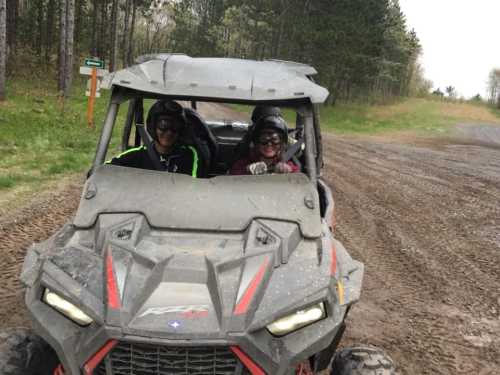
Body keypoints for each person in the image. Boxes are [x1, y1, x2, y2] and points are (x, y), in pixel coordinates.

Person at [109, 100, 199, 177]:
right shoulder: (136, 155)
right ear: (153, 126)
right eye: (163, 125)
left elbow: (192, 184)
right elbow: (104, 171)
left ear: (181, 129)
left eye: (175, 126)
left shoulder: (188, 155)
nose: (169, 132)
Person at [230, 109, 299, 175]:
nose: (269, 144)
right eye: (264, 139)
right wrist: (247, 170)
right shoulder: (243, 162)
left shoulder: (286, 162)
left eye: (275, 139)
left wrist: (288, 170)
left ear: (282, 143)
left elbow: (298, 176)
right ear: (256, 141)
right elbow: (233, 173)